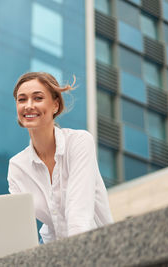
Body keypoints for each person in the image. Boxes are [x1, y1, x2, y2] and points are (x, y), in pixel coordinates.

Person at [7, 72, 113, 243]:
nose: (28, 105)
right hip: (55, 249)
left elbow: (79, 215)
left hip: (98, 246)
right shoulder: (17, 166)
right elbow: (20, 227)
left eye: (38, 98)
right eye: (22, 99)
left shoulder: (79, 142)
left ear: (55, 105)